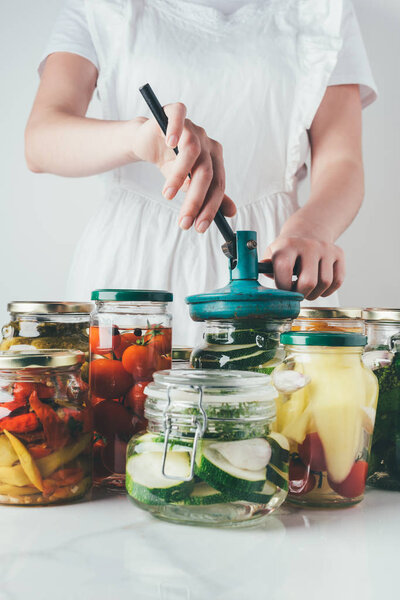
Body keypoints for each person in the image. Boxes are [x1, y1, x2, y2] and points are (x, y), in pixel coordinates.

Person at [25, 0, 377, 345]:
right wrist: (136, 138)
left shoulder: (323, 8)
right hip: (131, 269)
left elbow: (341, 160)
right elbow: (41, 140)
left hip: (276, 265)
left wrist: (312, 230)